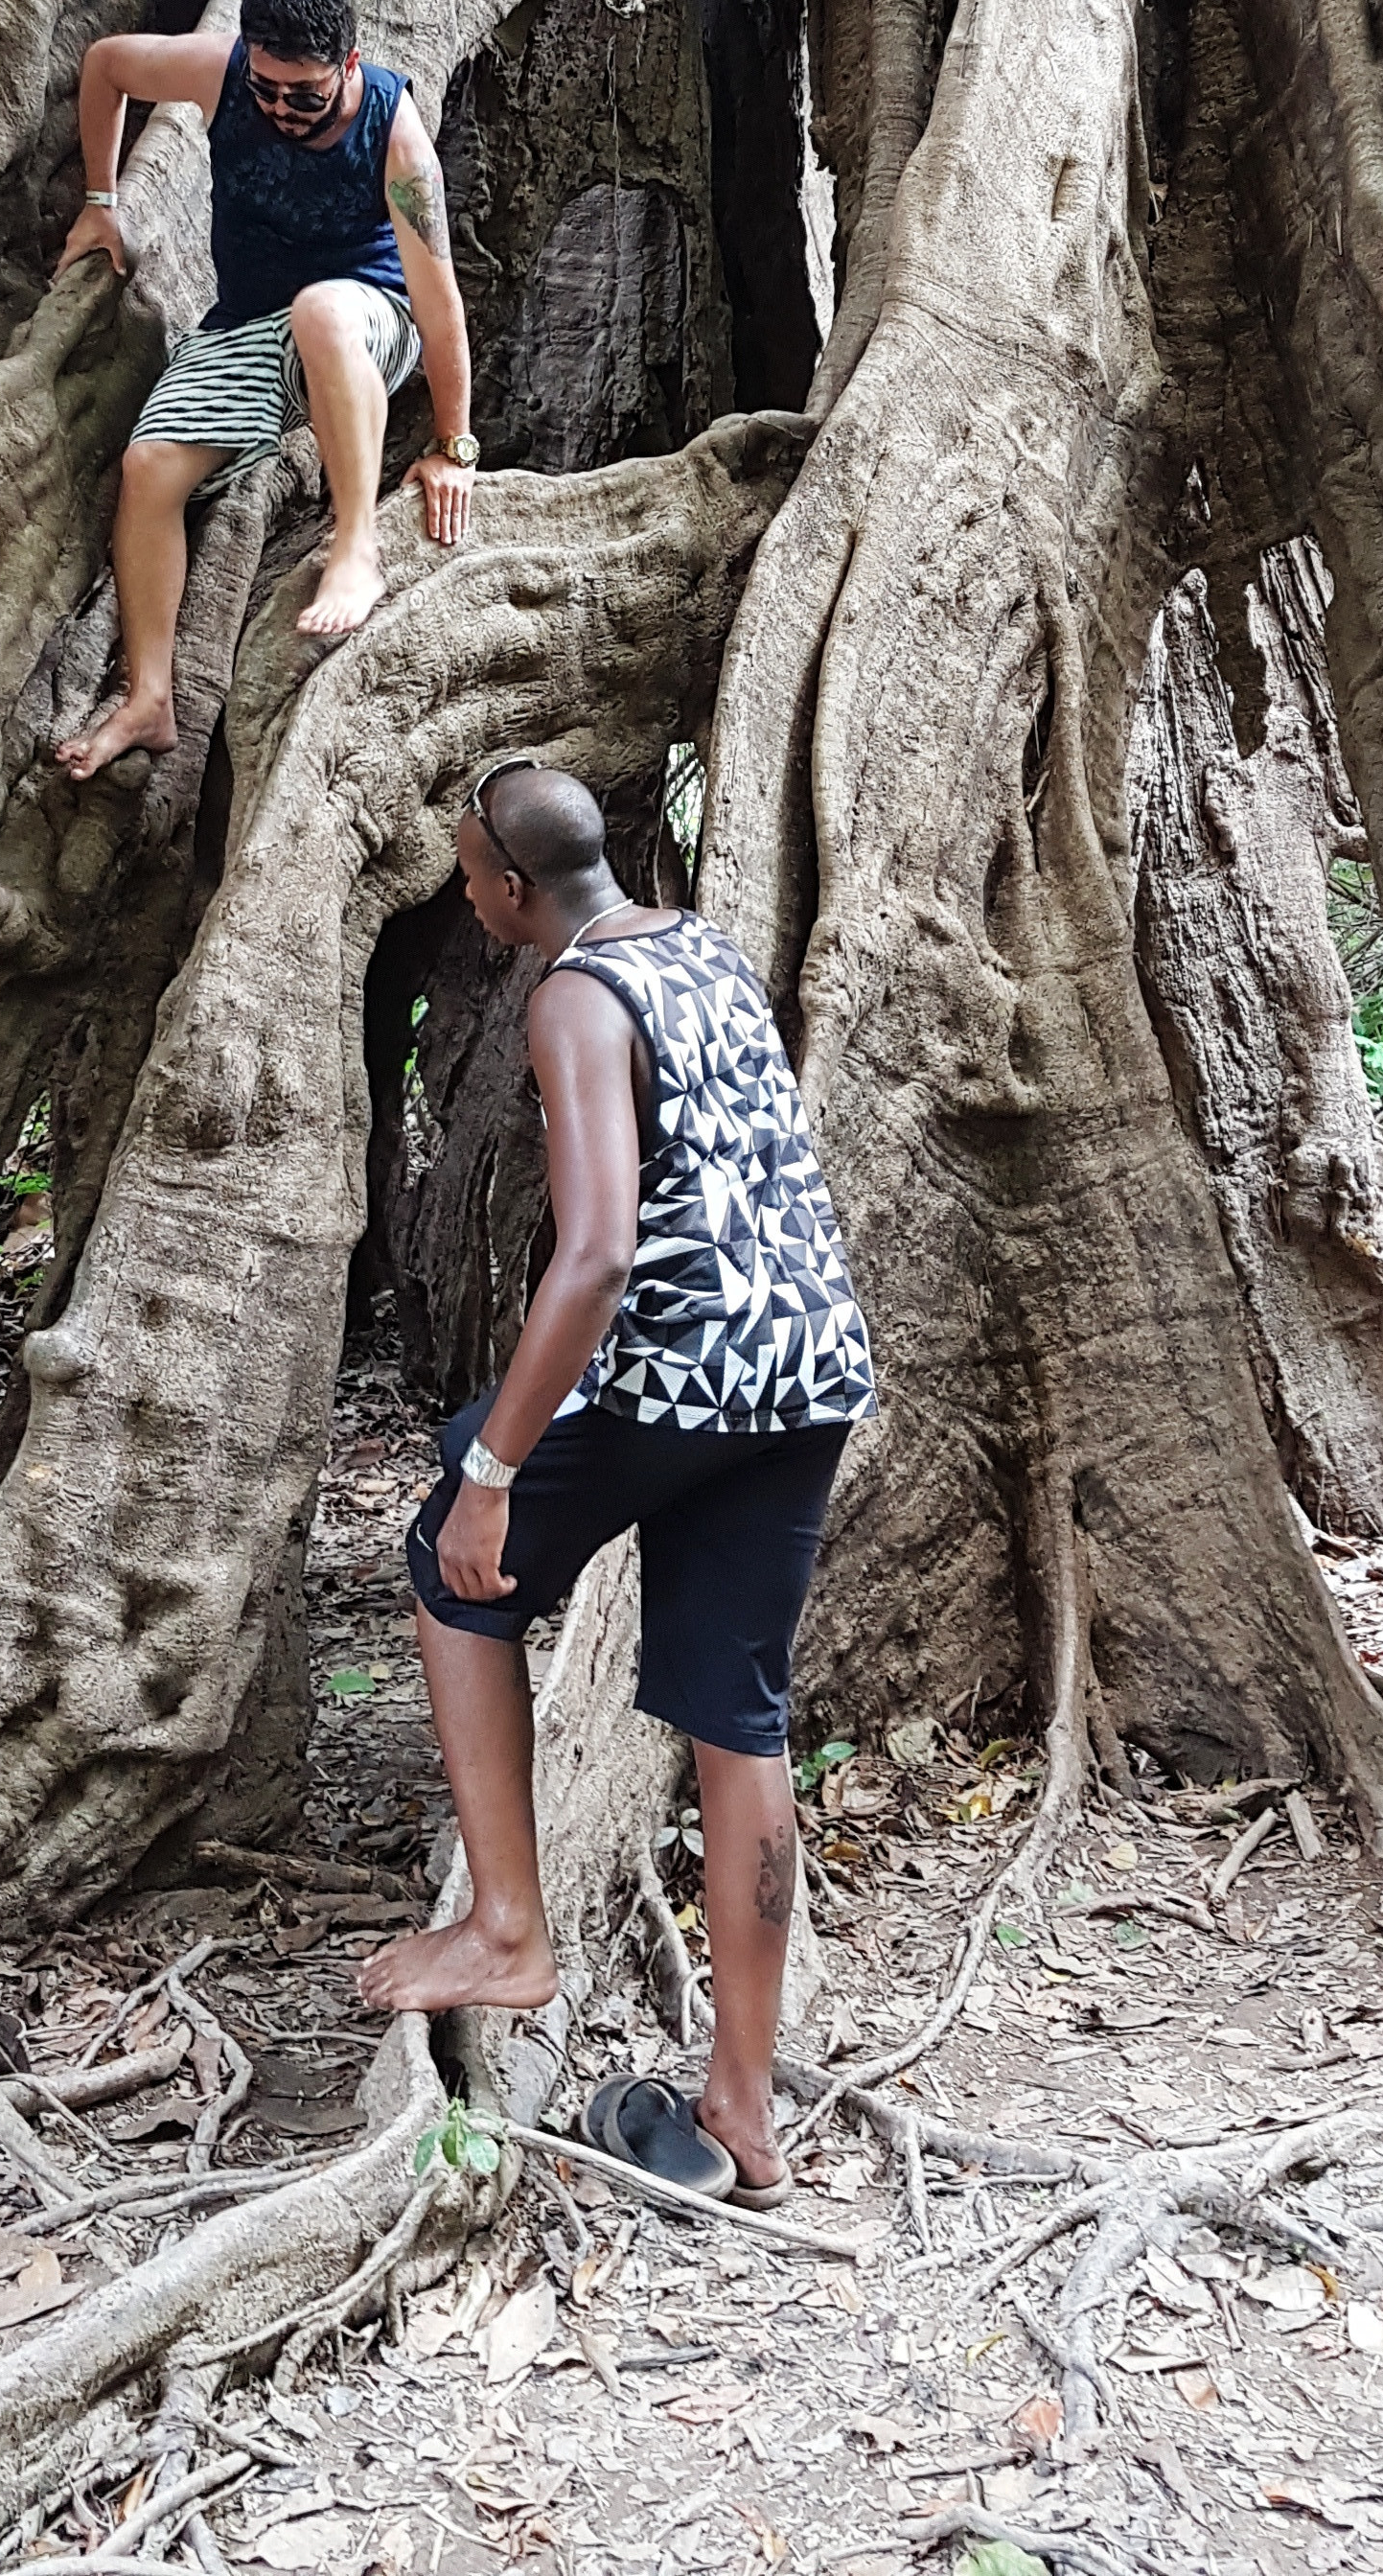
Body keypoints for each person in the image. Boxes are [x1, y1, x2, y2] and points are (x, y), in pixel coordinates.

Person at [355, 760, 877, 2202]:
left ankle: (507, 1929)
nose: (464, 895)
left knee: (449, 1564)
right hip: (810, 1367)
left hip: (685, 1371)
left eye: (469, 875)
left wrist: (493, 1470)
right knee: (738, 1718)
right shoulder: (698, 945)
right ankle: (744, 2106)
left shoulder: (575, 999)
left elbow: (592, 1257)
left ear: (516, 889)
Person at [51, 0, 477, 773]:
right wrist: (101, 204)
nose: (281, 108)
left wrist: (454, 447)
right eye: (268, 89)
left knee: (322, 308)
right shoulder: (223, 71)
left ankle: (355, 548)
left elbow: (439, 299)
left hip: (366, 321)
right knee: (149, 469)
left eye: (305, 94)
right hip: (247, 324)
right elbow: (107, 64)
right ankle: (149, 700)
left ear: (347, 66)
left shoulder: (395, 136)